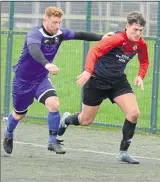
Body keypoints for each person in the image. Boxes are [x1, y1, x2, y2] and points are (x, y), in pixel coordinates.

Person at [3, 6, 113, 155]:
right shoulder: (35, 33)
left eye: (59, 22)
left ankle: (52, 141)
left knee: (53, 104)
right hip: (23, 82)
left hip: (41, 80)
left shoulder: (60, 34)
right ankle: (8, 133)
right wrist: (47, 64)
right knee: (19, 114)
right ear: (45, 20)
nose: (57, 26)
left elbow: (79, 34)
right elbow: (34, 50)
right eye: (54, 22)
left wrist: (102, 37)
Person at [58, 11, 149, 164]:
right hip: (97, 81)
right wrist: (88, 71)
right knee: (85, 120)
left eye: (141, 30)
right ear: (127, 27)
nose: (138, 33)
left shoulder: (140, 44)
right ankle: (66, 120)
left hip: (117, 82)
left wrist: (140, 75)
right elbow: (94, 51)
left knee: (133, 113)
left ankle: (123, 152)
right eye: (135, 29)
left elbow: (144, 61)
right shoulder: (117, 39)